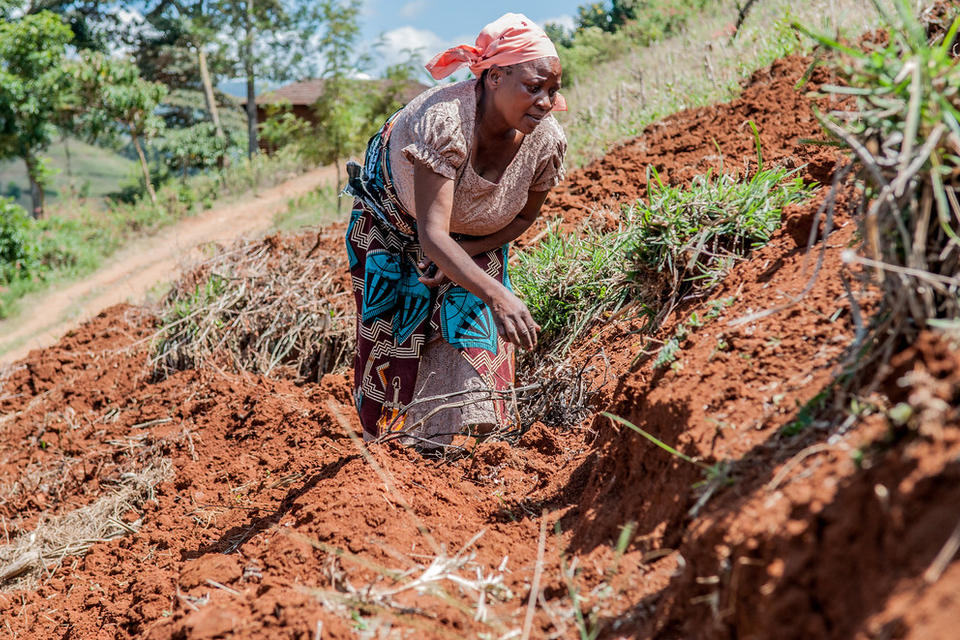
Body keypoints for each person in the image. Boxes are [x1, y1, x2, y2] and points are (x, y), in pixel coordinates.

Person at [344, 12, 567, 448]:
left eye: (552, 90)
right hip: (392, 228)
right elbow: (432, 234)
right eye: (533, 87)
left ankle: (463, 447)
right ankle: (395, 453)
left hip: (472, 236)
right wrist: (499, 294)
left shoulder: (546, 142)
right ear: (495, 77)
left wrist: (466, 254)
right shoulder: (447, 120)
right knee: (394, 336)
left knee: (471, 327)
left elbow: (522, 218)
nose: (544, 101)